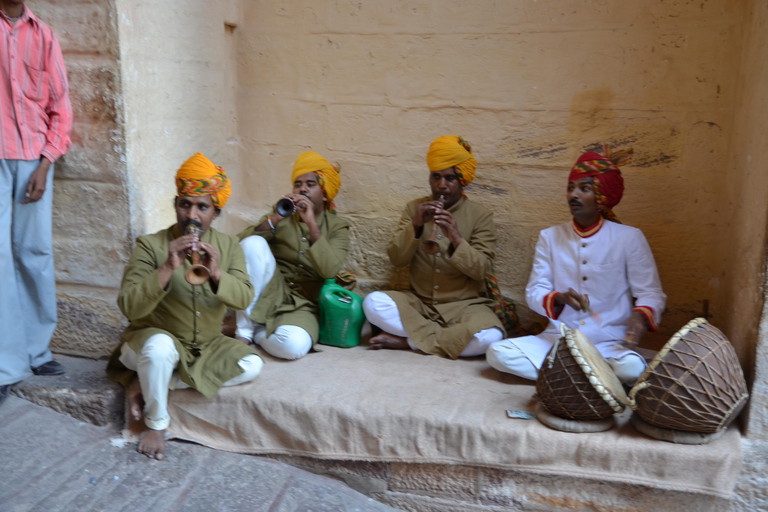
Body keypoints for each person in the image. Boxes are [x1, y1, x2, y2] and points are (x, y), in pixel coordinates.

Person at [107, 153, 263, 460]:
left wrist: (217, 272)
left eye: (202, 206)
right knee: (160, 348)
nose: (191, 214)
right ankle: (156, 423)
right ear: (176, 205)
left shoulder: (229, 246)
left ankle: (146, 379)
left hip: (204, 346)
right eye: (185, 204)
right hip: (152, 340)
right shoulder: (150, 245)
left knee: (252, 365)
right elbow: (128, 305)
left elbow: (244, 298)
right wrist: (167, 266)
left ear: (215, 212)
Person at [486, 146, 666, 386]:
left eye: (584, 188)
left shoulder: (629, 238)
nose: (574, 195)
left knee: (631, 368)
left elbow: (651, 293)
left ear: (601, 197)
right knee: (498, 353)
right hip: (558, 339)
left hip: (609, 342)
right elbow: (534, 291)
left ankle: (564, 377)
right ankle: (593, 379)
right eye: (571, 188)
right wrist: (557, 298)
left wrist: (639, 317)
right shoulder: (549, 237)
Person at [363, 135, 504, 359]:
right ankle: (445, 340)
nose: (441, 185)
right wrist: (416, 225)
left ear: (462, 181)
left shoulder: (480, 216)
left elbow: (482, 270)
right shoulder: (414, 208)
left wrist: (456, 238)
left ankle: (410, 342)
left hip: (464, 306)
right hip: (420, 305)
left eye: (450, 178)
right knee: (372, 303)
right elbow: (396, 259)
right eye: (436, 177)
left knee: (491, 337)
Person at [0, 0, 73, 406]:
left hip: (32, 160)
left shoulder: (43, 36)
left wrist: (45, 164)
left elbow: (60, 107)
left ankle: (36, 350)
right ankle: (6, 364)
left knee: (34, 252)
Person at [234, 151, 350, 360]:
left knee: (294, 347)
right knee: (254, 242)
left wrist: (312, 224)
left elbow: (329, 270)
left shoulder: (338, 228)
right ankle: (243, 332)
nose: (302, 189)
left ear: (324, 193)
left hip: (304, 303)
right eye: (298, 184)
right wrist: (275, 218)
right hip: (272, 290)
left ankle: (258, 332)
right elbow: (240, 246)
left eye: (310, 184)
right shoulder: (281, 215)